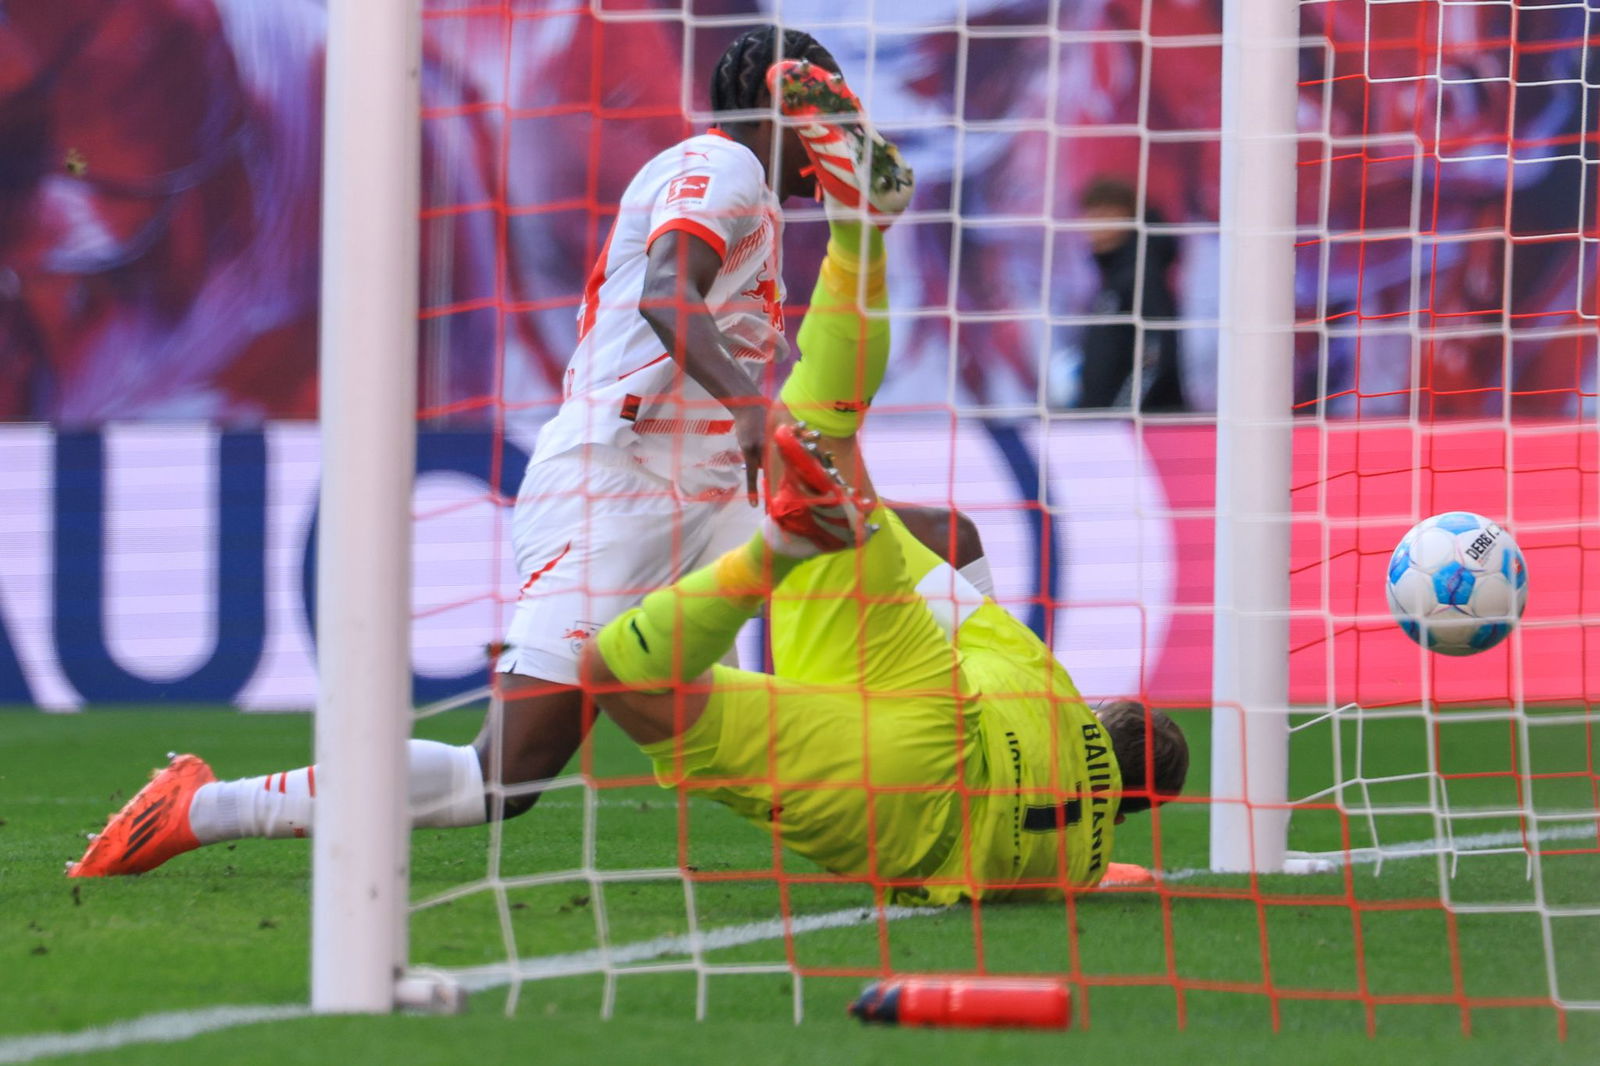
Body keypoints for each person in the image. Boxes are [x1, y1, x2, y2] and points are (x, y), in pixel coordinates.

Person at [67, 32, 988, 877]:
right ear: (779, 105)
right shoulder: (721, 162)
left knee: (944, 540)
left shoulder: (761, 204)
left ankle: (1009, 796)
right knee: (501, 779)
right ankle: (205, 807)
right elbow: (668, 291)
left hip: (715, 496)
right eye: (822, 117)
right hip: (616, 489)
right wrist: (752, 411)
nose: (833, 142)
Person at [582, 148, 1189, 900]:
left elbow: (957, 568)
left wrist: (865, 517)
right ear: (1125, 808)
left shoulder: (1051, 689)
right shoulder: (1080, 865)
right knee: (623, 678)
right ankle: (767, 553)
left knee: (822, 429)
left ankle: (860, 240)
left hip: (944, 702)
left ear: (1099, 714)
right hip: (912, 814)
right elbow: (1124, 877)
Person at [1075, 177, 1186, 413]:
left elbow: (1157, 354)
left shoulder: (1142, 275)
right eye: (1089, 216)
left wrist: (1121, 413)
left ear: (1128, 215)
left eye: (1102, 215)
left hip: (1142, 431)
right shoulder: (1113, 280)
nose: (1092, 227)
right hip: (1110, 429)